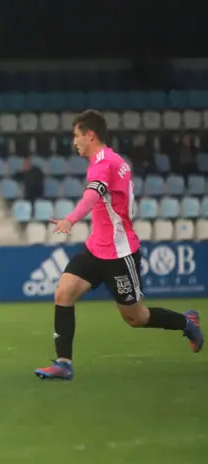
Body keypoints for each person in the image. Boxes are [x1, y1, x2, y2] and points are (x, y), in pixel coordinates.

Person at [36, 110, 203, 380]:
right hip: (96, 248)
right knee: (63, 293)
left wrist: (71, 219)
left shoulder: (103, 163)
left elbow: (91, 196)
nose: (74, 141)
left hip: (119, 253)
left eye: (76, 136)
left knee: (136, 318)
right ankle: (63, 364)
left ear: (90, 135)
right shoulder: (113, 160)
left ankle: (186, 323)